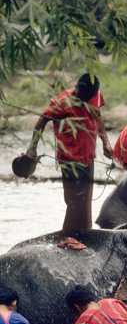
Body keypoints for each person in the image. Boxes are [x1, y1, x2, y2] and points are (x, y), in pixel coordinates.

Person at [27, 73, 114, 249]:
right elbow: (41, 122)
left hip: (88, 154)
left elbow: (98, 116)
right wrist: (32, 148)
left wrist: (105, 142)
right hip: (69, 156)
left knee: (86, 196)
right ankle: (66, 236)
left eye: (89, 98)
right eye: (83, 97)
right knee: (75, 196)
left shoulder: (95, 95)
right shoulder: (62, 102)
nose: (86, 101)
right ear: (76, 87)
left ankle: (82, 230)